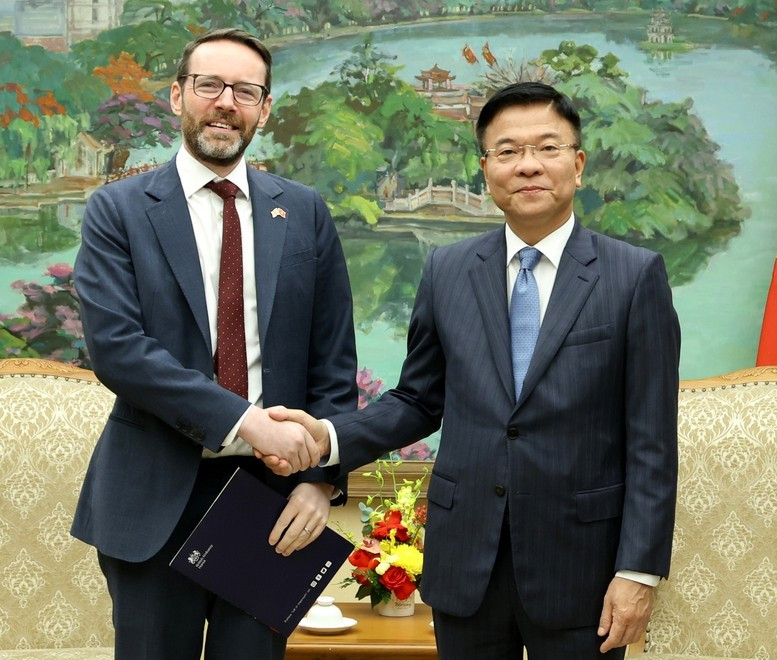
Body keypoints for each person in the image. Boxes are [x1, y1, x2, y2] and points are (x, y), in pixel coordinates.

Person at [275, 82, 680, 659]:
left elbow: (652, 440)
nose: (528, 166)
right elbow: (418, 400)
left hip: (583, 568)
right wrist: (329, 437)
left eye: (548, 148)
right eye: (508, 151)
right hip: (468, 561)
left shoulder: (634, 276)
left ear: (579, 164)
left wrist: (639, 570)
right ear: (486, 170)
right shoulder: (448, 270)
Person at [71, 28, 357, 660]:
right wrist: (246, 421)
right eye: (210, 85)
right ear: (177, 96)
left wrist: (321, 481)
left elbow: (333, 365)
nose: (227, 102)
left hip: (273, 504)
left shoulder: (305, 212)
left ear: (264, 108)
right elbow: (119, 350)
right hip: (153, 498)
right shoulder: (117, 210)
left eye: (246, 90)